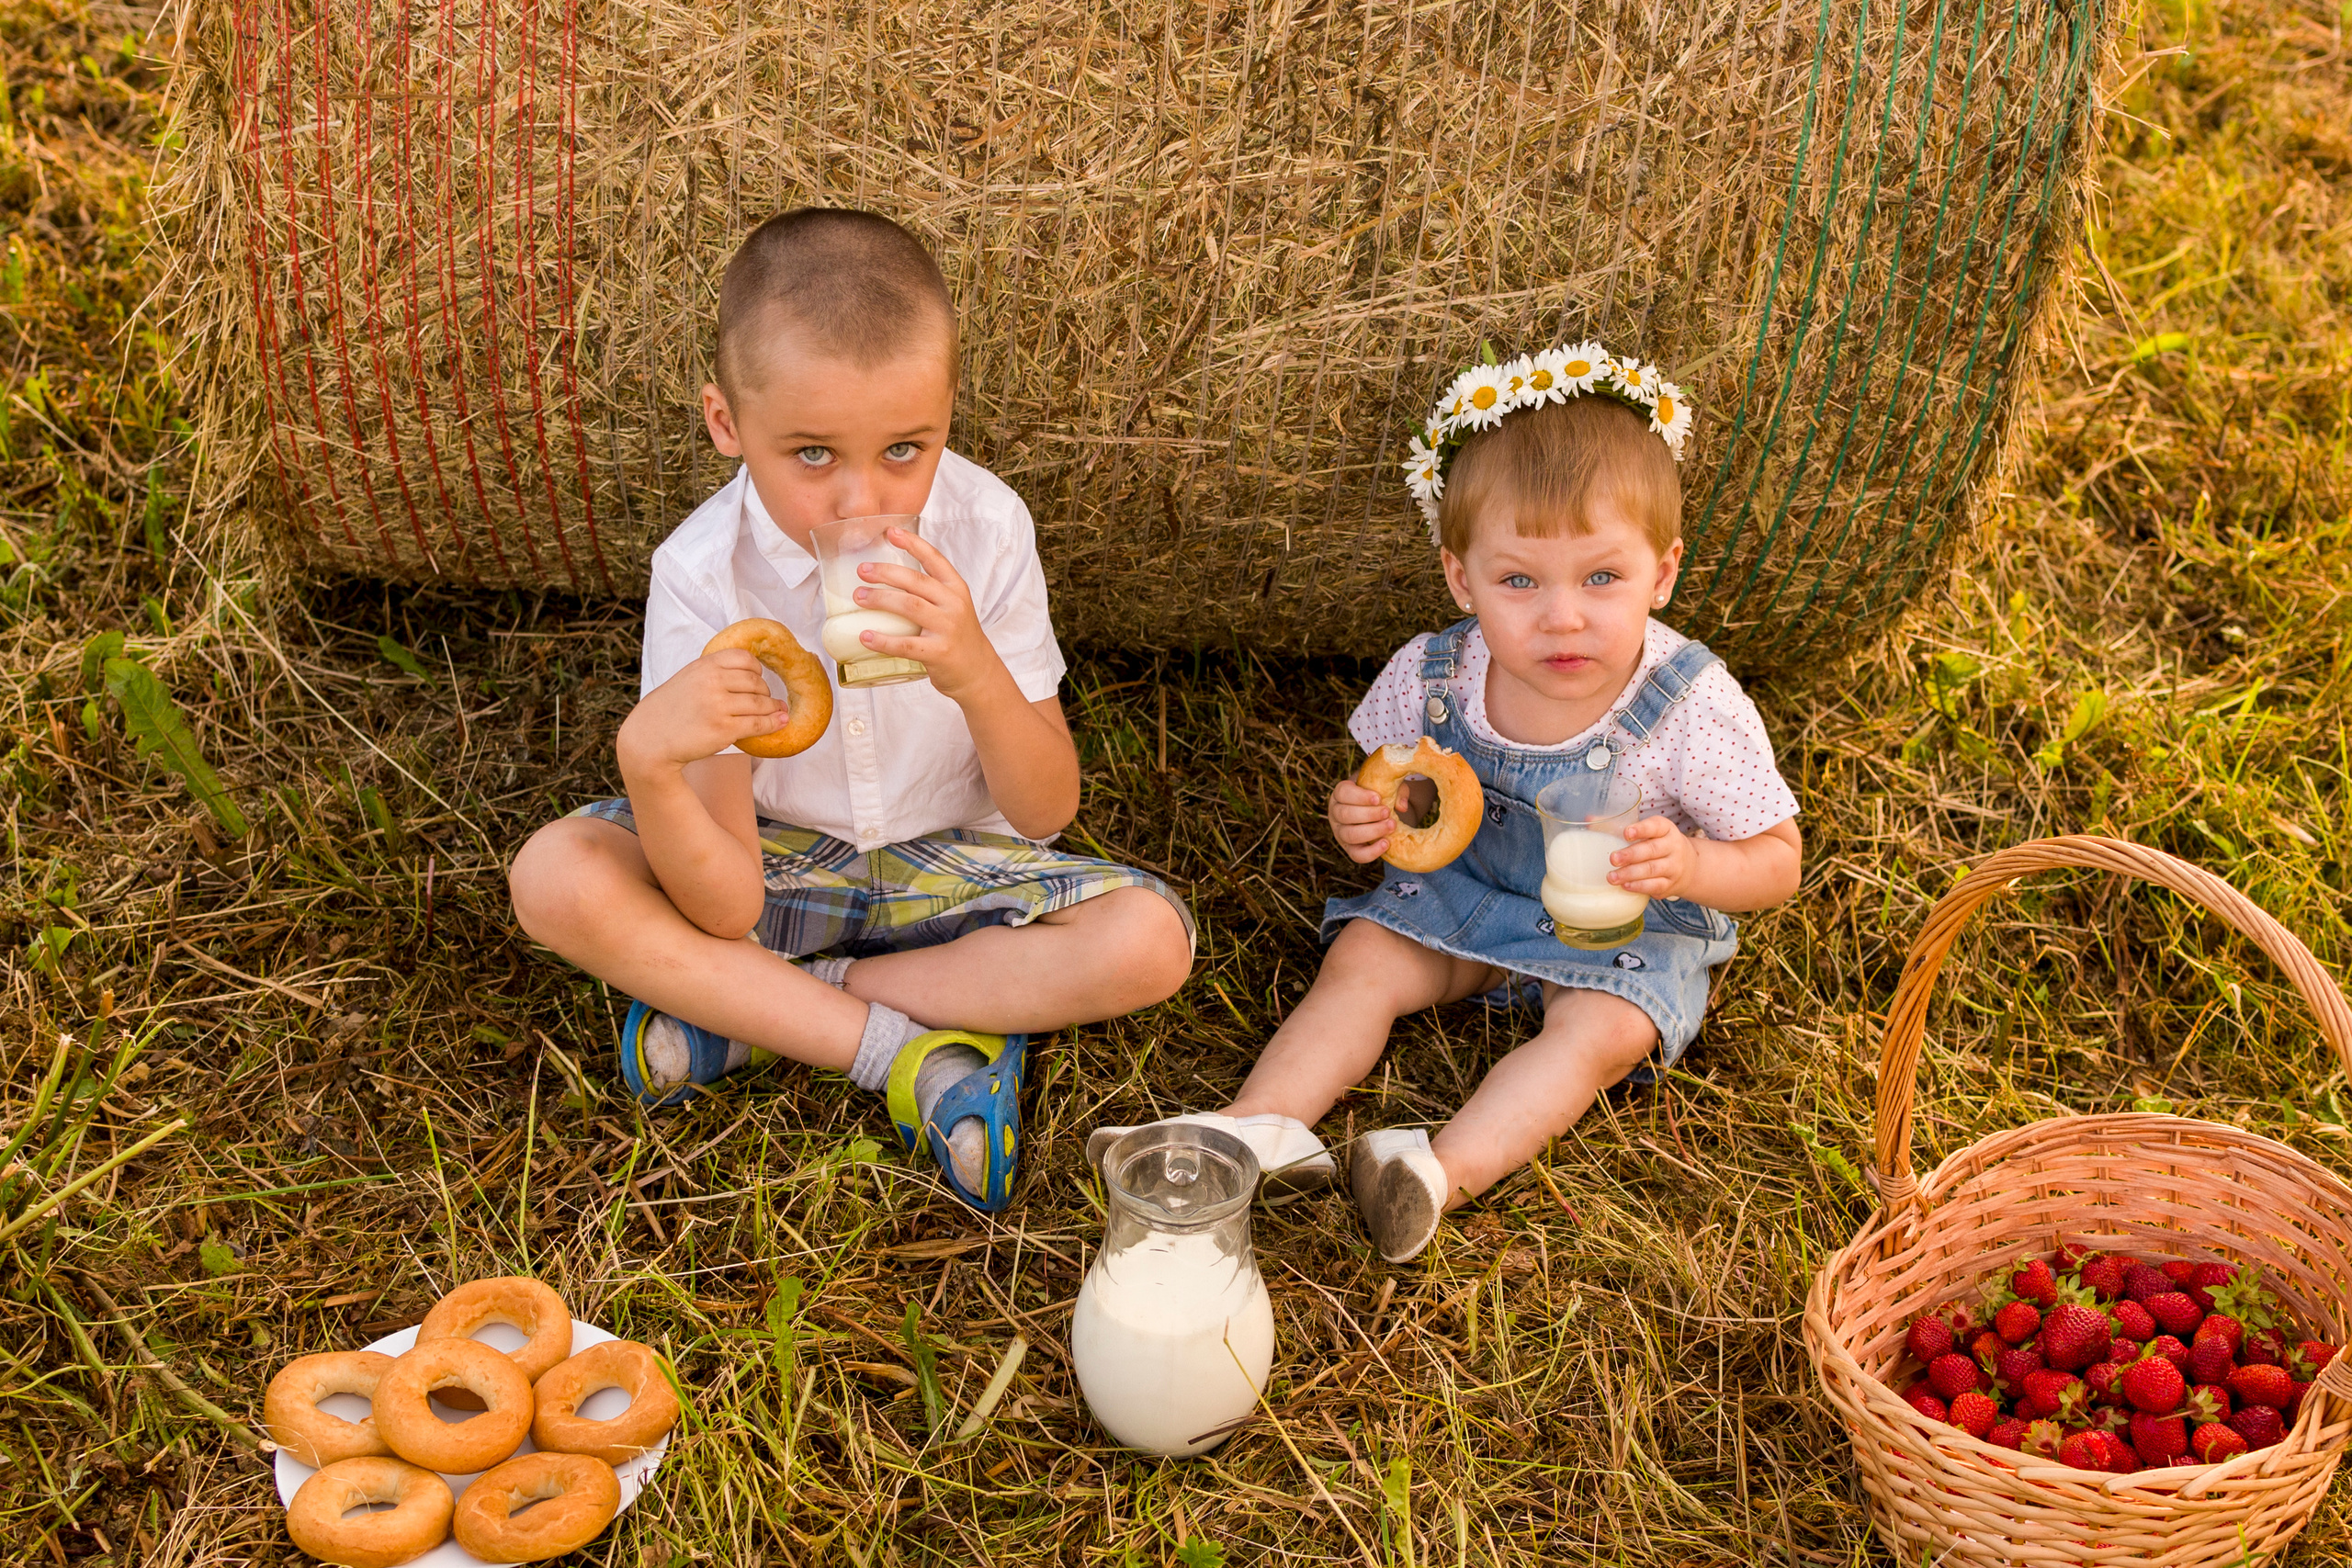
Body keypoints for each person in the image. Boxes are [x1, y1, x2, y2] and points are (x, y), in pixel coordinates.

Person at [510, 209, 1194, 1213]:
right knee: (554, 877)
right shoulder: (704, 577)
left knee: (1150, 943)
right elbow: (727, 906)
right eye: (814, 455)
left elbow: (1046, 809)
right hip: (782, 870)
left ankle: (761, 1014)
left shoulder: (987, 529)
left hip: (954, 874)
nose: (860, 500)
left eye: (905, 449)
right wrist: (649, 766)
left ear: (948, 415)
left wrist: (975, 671)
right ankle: (906, 1054)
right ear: (726, 424)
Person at [1092, 344, 1800, 1261]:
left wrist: (1694, 864)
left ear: (1661, 573)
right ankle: (1258, 1126)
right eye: (1519, 581)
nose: (1562, 616)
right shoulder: (1436, 674)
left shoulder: (1690, 704)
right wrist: (1359, 818)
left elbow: (1777, 861)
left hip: (1620, 926)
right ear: (1462, 578)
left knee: (1603, 1030)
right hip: (1465, 893)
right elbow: (1393, 787)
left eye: (1602, 578)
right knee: (1363, 958)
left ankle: (1434, 1172)